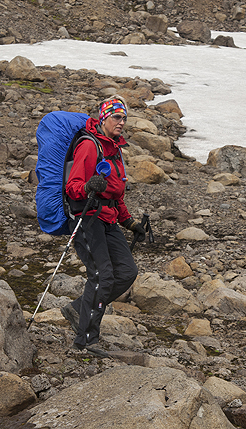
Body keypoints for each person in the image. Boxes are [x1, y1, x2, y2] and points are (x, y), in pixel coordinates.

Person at [60, 96, 145, 357]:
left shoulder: (114, 149)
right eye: (117, 117)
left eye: (124, 118)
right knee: (102, 275)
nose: (121, 122)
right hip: (86, 217)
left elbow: (116, 193)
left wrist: (129, 221)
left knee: (127, 272)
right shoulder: (89, 146)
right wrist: (88, 187)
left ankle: (78, 309)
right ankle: (86, 340)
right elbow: (72, 188)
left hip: (107, 217)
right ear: (104, 118)